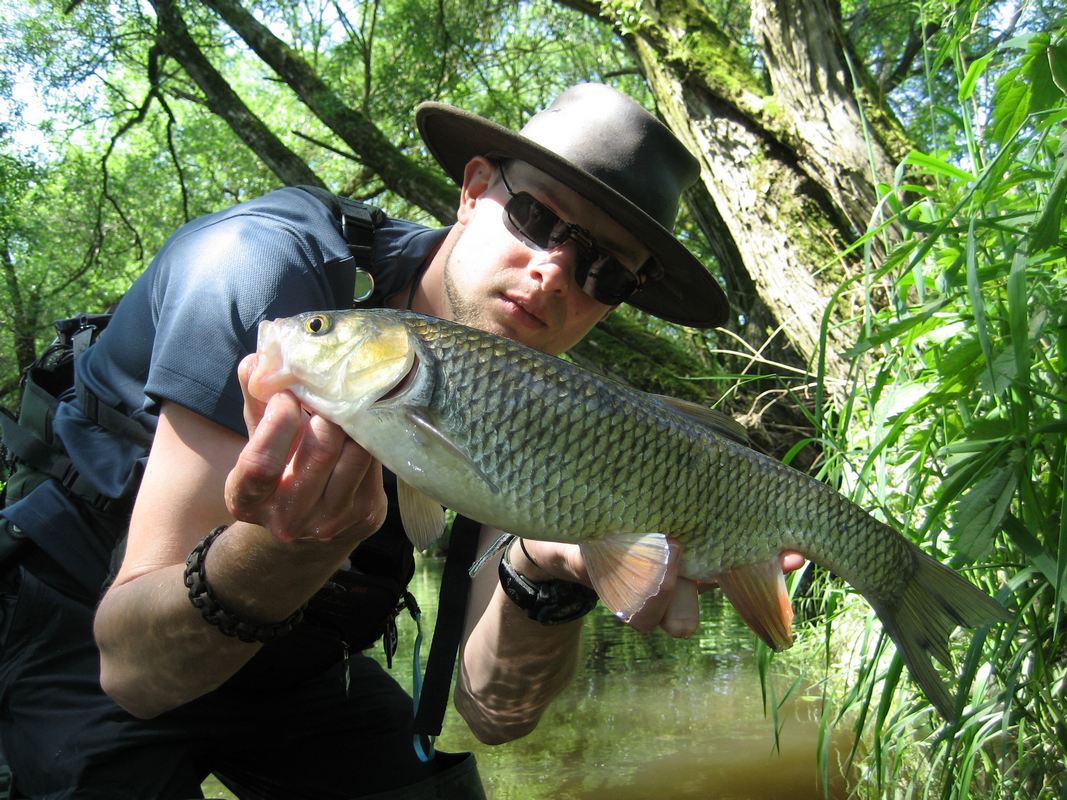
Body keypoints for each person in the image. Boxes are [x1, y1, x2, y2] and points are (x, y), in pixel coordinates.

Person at [0, 83, 802, 799]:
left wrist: (547, 572)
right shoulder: (257, 273)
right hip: (91, 626)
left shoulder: (531, 394)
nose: (553, 273)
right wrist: (286, 550)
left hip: (297, 658)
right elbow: (135, 674)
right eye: (535, 218)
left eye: (601, 271)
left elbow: (494, 709)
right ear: (475, 190)